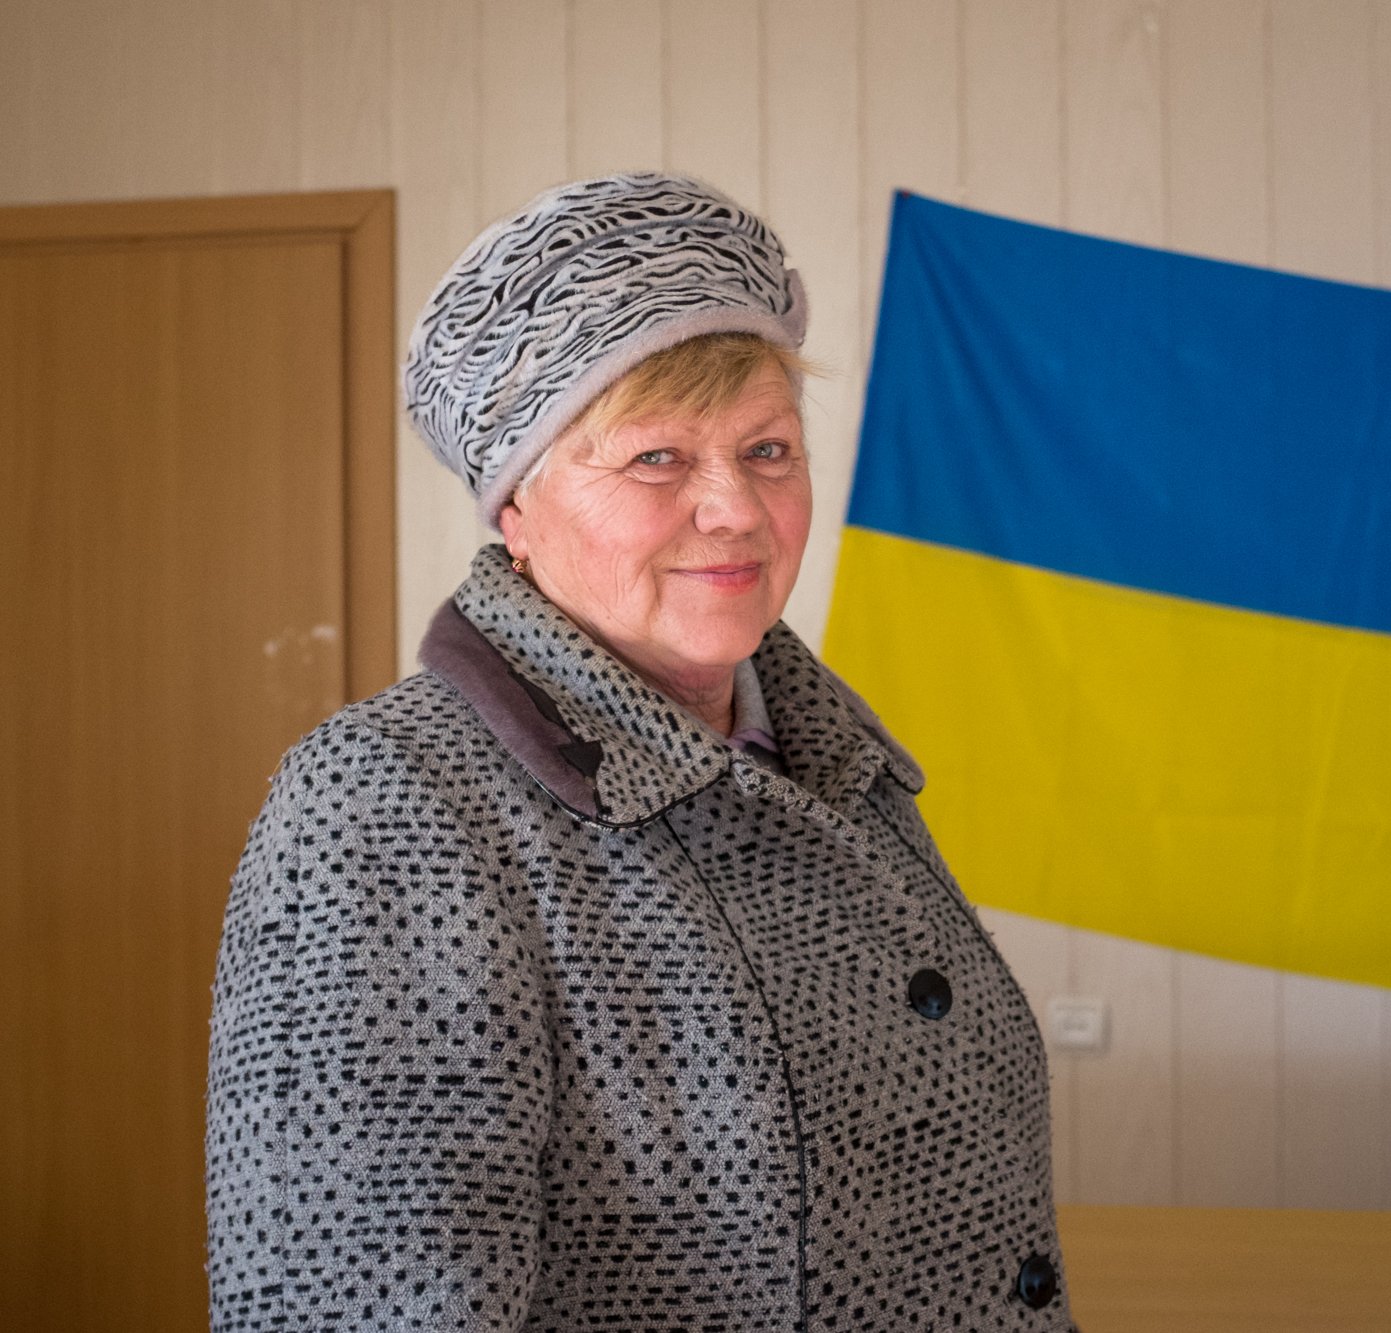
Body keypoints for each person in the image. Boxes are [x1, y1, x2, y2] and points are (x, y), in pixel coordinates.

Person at [205, 173, 1069, 1331]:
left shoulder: (831, 763)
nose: (736, 510)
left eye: (767, 449)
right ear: (518, 511)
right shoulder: (388, 803)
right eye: (657, 459)